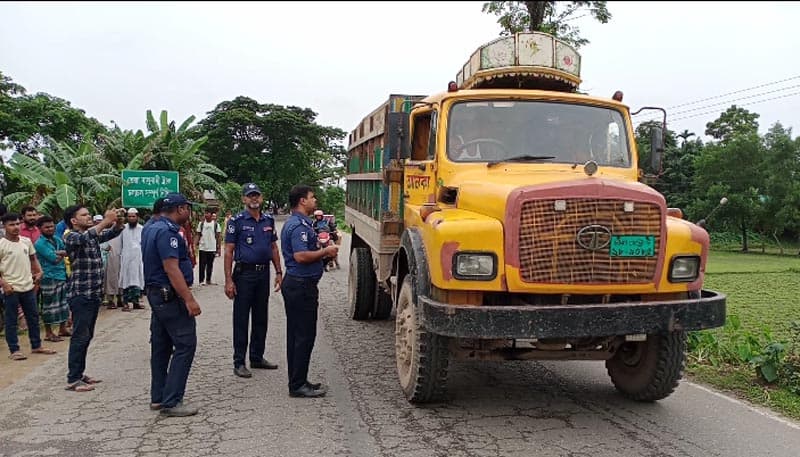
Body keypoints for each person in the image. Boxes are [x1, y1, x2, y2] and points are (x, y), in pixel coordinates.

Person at [141, 192, 201, 417]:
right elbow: (171, 268)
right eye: (188, 208)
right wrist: (189, 299)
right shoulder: (168, 232)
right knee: (185, 345)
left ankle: (158, 397)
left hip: (157, 295)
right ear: (180, 209)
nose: (189, 212)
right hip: (169, 296)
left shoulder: (151, 227)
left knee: (161, 345)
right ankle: (172, 401)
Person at [280, 185, 338, 398]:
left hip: (299, 285)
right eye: (312, 197)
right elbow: (301, 256)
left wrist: (322, 255)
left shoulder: (300, 223)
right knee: (303, 336)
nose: (315, 200)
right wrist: (325, 251)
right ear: (302, 201)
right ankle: (297, 385)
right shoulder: (299, 227)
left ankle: (299, 380)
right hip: (300, 286)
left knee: (298, 335)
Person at [63, 205, 124, 392]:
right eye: (84, 214)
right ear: (74, 221)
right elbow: (85, 237)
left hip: (92, 293)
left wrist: (117, 221)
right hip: (81, 294)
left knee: (86, 336)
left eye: (88, 213)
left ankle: (79, 373)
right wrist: (106, 220)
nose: (88, 216)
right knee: (80, 336)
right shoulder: (70, 236)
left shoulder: (91, 235)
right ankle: (73, 378)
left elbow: (109, 235)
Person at [224, 183, 282, 378]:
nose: (254, 199)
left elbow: (273, 247)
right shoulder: (236, 221)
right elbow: (229, 251)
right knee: (241, 319)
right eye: (250, 196)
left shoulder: (268, 220)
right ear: (244, 199)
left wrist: (279, 272)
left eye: (256, 195)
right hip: (244, 274)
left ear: (262, 197)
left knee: (260, 317)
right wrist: (228, 281)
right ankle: (239, 361)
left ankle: (257, 357)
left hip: (263, 273)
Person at [1, 213, 56, 361]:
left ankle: (36, 345)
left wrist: (39, 271)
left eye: (18, 224)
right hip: (11, 288)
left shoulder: (26, 242)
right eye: (11, 224)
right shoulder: (1, 244)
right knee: (11, 320)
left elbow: (33, 258)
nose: (15, 227)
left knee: (33, 317)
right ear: (4, 226)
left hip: (28, 286)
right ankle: (14, 349)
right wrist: (4, 284)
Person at [34, 216, 71, 342]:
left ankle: (62, 328)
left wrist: (60, 253)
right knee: (49, 305)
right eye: (47, 227)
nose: (50, 229)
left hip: (61, 274)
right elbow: (54, 259)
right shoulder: (39, 243)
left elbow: (65, 251)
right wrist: (62, 253)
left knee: (62, 303)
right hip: (48, 276)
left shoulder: (56, 239)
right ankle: (49, 332)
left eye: (51, 226)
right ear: (40, 229)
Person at [119, 208, 145, 311]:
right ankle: (125, 303)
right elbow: (120, 243)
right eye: (129, 216)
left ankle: (136, 302)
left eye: (133, 216)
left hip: (138, 258)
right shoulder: (122, 228)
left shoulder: (142, 229)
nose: (131, 218)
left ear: (137, 217)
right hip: (126, 258)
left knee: (137, 279)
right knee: (126, 280)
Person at [196, 208, 221, 285]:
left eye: (207, 213)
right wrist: (195, 244)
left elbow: (218, 236)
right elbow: (198, 234)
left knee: (210, 264)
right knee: (202, 265)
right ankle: (201, 280)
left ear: (211, 214)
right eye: (205, 213)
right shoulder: (201, 224)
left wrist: (218, 248)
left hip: (212, 247)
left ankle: (208, 280)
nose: (206, 215)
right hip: (203, 247)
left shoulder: (216, 225)